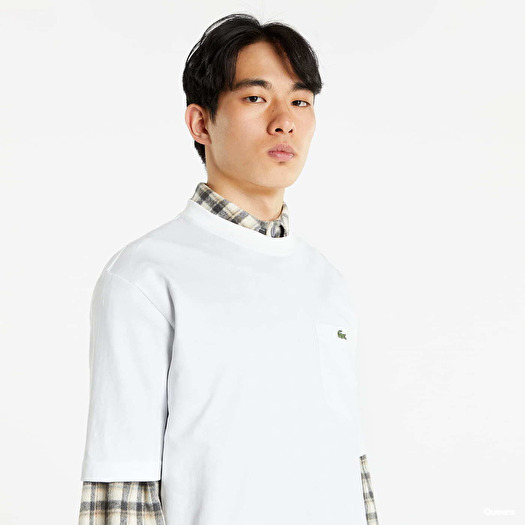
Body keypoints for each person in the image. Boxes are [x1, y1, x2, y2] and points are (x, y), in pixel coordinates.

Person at [79, 12, 379, 525]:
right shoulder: (145, 277)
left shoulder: (327, 280)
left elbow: (350, 465)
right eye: (256, 97)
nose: (284, 121)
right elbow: (123, 482)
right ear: (201, 123)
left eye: (300, 101)